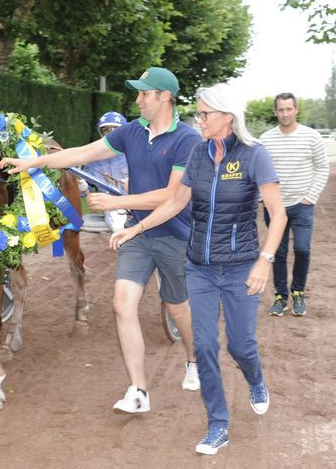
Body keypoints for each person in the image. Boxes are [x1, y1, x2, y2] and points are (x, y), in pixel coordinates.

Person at [0, 66, 202, 414]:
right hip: (136, 233)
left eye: (144, 93)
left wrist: (117, 202)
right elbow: (81, 154)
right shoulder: (131, 132)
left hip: (174, 234)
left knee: (177, 308)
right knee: (122, 304)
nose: (137, 99)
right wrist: (33, 161)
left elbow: (170, 196)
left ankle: (194, 358)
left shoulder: (188, 140)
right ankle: (138, 390)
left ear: (164, 97)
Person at [110, 83, 287, 455]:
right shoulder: (198, 154)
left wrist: (264, 261)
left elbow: (278, 214)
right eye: (198, 114)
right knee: (205, 347)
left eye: (205, 114)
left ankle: (255, 378)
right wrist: (136, 228)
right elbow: (176, 202)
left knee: (241, 345)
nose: (198, 120)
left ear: (227, 117)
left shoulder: (255, 155)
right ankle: (217, 424)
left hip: (241, 269)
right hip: (200, 269)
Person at [260, 93, 330, 317]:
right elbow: (259, 172)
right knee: (277, 252)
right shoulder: (266, 139)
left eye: (289, 109)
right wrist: (263, 196)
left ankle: (298, 291)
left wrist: (310, 196)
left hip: (302, 205)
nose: (285, 114)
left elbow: (322, 167)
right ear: (275, 112)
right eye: (281, 110)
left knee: (302, 248)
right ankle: (280, 296)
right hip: (275, 207)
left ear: (296, 110)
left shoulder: (311, 137)